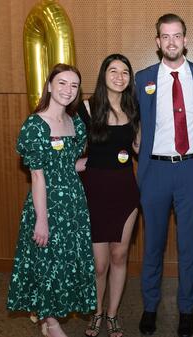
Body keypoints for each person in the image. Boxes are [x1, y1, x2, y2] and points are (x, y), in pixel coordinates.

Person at [135, 13, 193, 337]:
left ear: (185, 39)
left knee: (187, 247)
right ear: (157, 42)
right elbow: (130, 117)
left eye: (176, 36)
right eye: (165, 36)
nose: (171, 42)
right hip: (154, 170)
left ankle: (186, 310)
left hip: (192, 169)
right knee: (152, 245)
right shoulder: (142, 78)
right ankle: (150, 306)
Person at [7, 63, 96, 337]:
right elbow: (37, 176)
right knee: (46, 262)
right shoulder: (35, 125)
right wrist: (41, 220)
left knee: (64, 262)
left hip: (74, 204)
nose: (68, 90)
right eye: (62, 83)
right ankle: (52, 323)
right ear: (49, 86)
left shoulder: (75, 122)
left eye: (73, 85)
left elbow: (71, 165)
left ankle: (49, 318)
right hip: (46, 204)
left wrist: (104, 162)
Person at [78, 54, 140, 337]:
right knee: (99, 263)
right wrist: (72, 163)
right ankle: (96, 312)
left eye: (125, 71)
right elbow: (70, 143)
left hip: (125, 191)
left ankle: (112, 314)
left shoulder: (134, 108)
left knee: (119, 254)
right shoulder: (87, 108)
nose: (119, 76)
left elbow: (140, 146)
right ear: (103, 75)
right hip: (94, 191)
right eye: (113, 70)